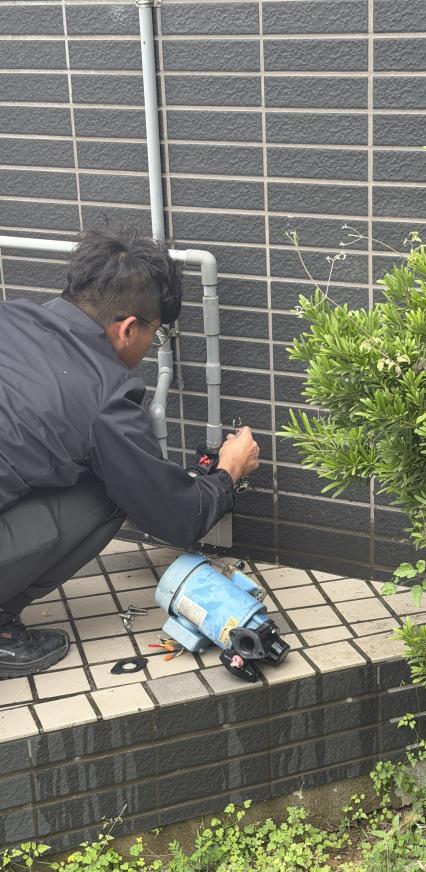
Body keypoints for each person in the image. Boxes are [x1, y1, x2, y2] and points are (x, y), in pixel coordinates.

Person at [0, 227, 259, 679]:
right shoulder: (104, 395)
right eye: (155, 335)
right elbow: (176, 516)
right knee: (110, 489)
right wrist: (227, 472)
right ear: (127, 328)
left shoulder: (11, 315)